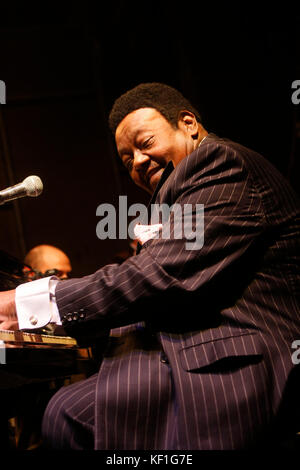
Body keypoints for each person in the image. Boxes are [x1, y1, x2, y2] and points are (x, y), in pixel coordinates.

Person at [0, 83, 299, 450]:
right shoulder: (180, 192)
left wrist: (23, 303)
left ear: (188, 123)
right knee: (67, 411)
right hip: (187, 350)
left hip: (237, 359)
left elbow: (160, 275)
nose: (138, 161)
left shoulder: (219, 162)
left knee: (67, 413)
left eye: (145, 143)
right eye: (127, 161)